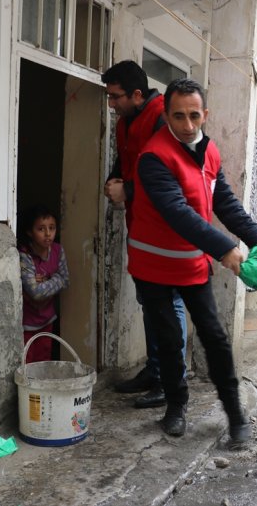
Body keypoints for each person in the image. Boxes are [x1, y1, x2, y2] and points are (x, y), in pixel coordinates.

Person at [129, 77, 257, 446]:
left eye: (194, 116)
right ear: (166, 114)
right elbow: (178, 213)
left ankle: (235, 413)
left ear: (205, 115)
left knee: (216, 339)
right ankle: (176, 406)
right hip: (153, 266)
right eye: (178, 116)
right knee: (169, 339)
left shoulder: (208, 151)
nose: (188, 125)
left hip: (192, 265)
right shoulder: (153, 157)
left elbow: (223, 200)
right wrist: (226, 248)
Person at [101, 60, 188, 409]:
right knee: (151, 303)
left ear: (137, 94)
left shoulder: (162, 119)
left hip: (167, 231)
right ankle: (155, 372)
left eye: (115, 97)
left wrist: (130, 192)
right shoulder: (126, 121)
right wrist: (113, 181)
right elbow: (125, 162)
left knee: (170, 305)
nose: (111, 104)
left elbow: (175, 176)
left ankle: (172, 382)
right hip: (141, 230)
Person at [18, 204, 70, 363]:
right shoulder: (24, 255)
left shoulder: (57, 250)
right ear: (29, 232)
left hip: (47, 320)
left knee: (44, 361)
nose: (48, 234)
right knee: (28, 363)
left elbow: (66, 280)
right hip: (27, 323)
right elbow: (36, 292)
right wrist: (56, 278)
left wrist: (47, 279)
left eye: (52, 228)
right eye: (41, 229)